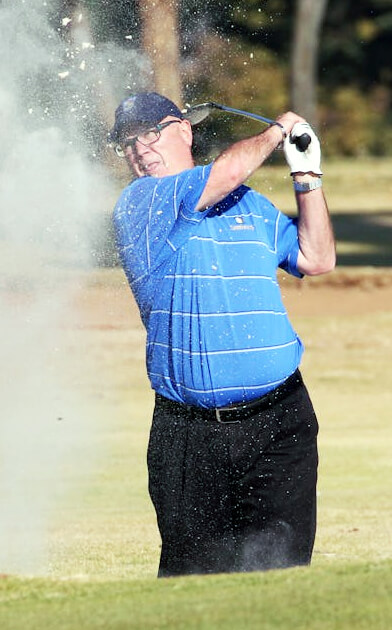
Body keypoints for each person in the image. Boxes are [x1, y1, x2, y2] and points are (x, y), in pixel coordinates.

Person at [109, 91, 335, 577]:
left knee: (281, 579)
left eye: (151, 132)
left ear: (186, 129)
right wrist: (278, 132)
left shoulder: (250, 206)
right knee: (193, 588)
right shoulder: (141, 205)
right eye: (127, 143)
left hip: (281, 423)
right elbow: (228, 171)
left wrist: (307, 179)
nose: (139, 148)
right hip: (189, 437)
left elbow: (317, 259)